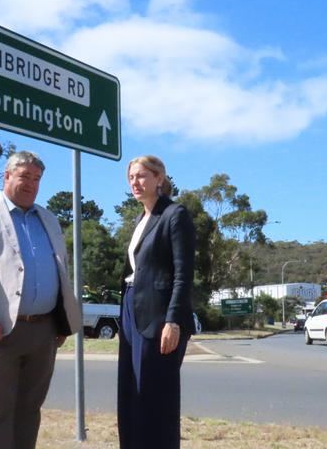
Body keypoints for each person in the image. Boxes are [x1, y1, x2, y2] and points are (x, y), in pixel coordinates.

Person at [0, 151, 82, 449]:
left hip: (44, 332)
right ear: (7, 176)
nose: (31, 184)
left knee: (29, 411)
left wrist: (61, 322)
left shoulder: (48, 218)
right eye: (25, 176)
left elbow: (61, 271)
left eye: (37, 179)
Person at [118, 155, 196, 449]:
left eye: (141, 176)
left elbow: (183, 273)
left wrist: (173, 320)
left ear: (159, 179)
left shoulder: (175, 215)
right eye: (131, 178)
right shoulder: (141, 218)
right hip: (131, 309)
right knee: (131, 392)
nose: (135, 183)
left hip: (159, 316)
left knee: (156, 397)